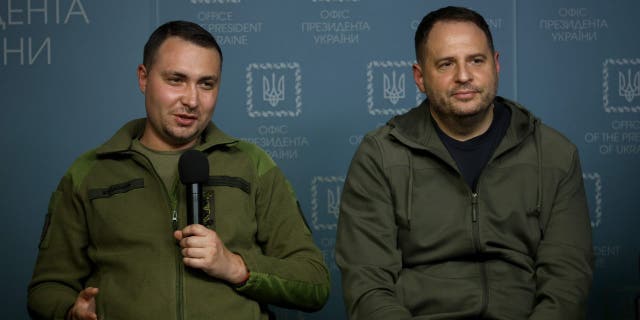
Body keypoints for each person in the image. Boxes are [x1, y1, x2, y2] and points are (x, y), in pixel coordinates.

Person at [28, 20, 330, 320]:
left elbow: (314, 282)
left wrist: (236, 266)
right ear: (143, 78)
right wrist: (71, 311)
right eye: (176, 80)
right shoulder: (90, 172)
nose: (191, 100)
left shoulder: (251, 164)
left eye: (206, 84)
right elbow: (46, 288)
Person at [335, 6, 593, 320]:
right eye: (446, 64)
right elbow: (368, 286)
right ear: (420, 77)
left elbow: (567, 280)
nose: (464, 76)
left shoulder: (554, 154)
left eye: (476, 60)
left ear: (496, 65)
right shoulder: (380, 156)